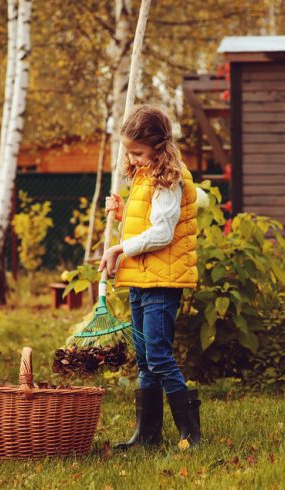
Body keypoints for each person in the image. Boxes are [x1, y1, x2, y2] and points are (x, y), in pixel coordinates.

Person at [99, 104, 200, 449]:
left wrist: (118, 250)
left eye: (138, 152)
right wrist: (123, 211)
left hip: (163, 280)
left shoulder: (169, 178)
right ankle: (147, 435)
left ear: (158, 146)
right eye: (128, 152)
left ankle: (190, 434)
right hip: (142, 279)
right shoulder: (145, 175)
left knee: (158, 354)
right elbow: (145, 221)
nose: (133, 158)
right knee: (144, 358)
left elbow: (162, 232)